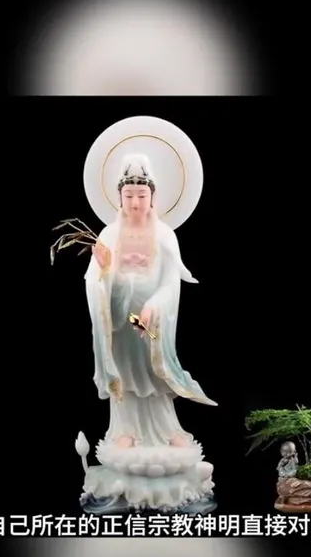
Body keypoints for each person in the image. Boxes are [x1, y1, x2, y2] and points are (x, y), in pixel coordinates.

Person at [85, 153, 215, 451]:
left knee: (154, 371)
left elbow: (171, 281)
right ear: (119, 197)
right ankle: (125, 429)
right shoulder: (109, 234)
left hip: (151, 321)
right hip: (120, 319)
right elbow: (94, 281)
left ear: (153, 197)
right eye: (129, 195)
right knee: (125, 368)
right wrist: (105, 269)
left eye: (141, 195)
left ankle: (167, 428)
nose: (135, 202)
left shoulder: (165, 235)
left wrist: (154, 305)